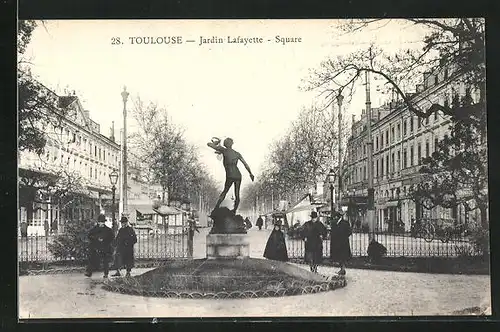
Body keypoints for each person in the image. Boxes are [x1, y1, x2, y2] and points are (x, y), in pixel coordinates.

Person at [207, 137, 254, 214]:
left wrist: (217, 142)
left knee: (225, 191)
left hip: (230, 175)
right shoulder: (237, 153)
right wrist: (250, 173)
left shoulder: (223, 150)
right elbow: (245, 164)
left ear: (225, 144)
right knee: (237, 194)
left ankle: (215, 209)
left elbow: (209, 144)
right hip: (238, 175)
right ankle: (234, 211)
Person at [84, 214, 114, 278]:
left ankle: (106, 273)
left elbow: (111, 238)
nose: (101, 223)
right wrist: (96, 238)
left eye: (102, 222)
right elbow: (89, 236)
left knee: (106, 260)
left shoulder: (108, 230)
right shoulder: (94, 229)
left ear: (104, 222)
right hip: (96, 247)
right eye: (100, 222)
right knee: (91, 258)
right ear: (98, 222)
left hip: (105, 247)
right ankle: (89, 272)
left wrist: (105, 240)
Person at [329, 211, 352, 276]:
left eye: (335, 217)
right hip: (336, 243)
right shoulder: (333, 223)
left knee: (343, 257)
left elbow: (349, 232)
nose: (334, 218)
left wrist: (344, 237)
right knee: (338, 257)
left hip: (343, 243)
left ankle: (343, 269)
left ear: (338, 217)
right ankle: (341, 269)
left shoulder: (345, 223)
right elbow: (332, 232)